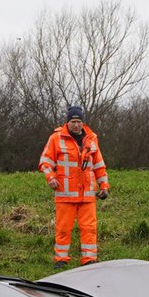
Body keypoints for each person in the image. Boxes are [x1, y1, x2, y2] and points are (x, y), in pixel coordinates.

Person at [38, 104, 110, 267]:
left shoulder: (92, 139)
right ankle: (61, 259)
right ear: (67, 122)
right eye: (73, 122)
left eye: (79, 121)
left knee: (89, 228)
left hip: (87, 194)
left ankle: (89, 259)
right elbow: (45, 162)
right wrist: (50, 178)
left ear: (82, 123)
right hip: (65, 193)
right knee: (63, 228)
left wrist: (104, 186)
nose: (76, 125)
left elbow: (99, 165)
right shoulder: (56, 138)